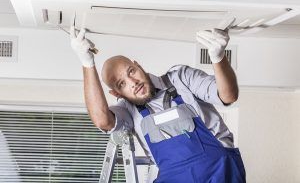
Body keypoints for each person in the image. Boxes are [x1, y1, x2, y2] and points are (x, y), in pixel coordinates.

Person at [70, 24, 246, 182]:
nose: (133, 82)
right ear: (117, 93)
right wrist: (87, 64)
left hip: (222, 172)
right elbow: (103, 120)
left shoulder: (181, 78)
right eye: (122, 84)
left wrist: (218, 58)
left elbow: (228, 96)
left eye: (131, 71)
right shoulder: (128, 111)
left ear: (138, 66)